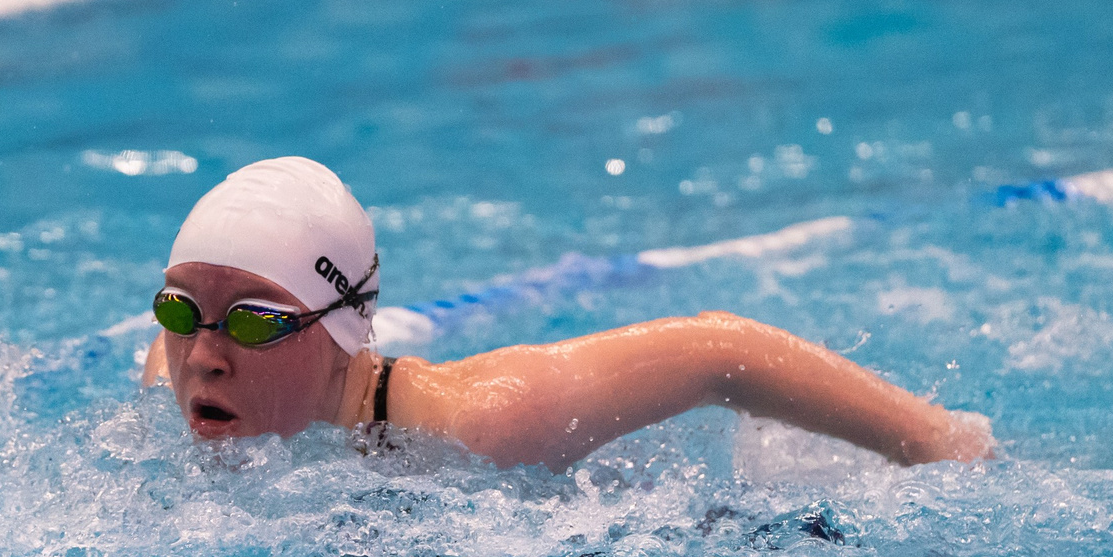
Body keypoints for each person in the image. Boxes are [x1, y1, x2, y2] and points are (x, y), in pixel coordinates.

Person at [140, 157, 993, 470]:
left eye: (253, 320)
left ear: (341, 333)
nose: (204, 356)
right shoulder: (173, 369)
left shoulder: (482, 423)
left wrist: (935, 441)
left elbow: (719, 351)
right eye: (182, 312)